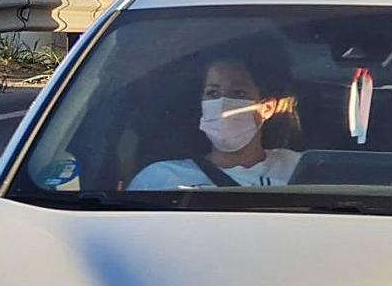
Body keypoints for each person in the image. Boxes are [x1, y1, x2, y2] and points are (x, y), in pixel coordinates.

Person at [128, 54, 300, 190]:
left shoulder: (300, 168)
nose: (223, 104)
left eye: (238, 93)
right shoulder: (158, 177)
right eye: (213, 93)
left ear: (267, 108)